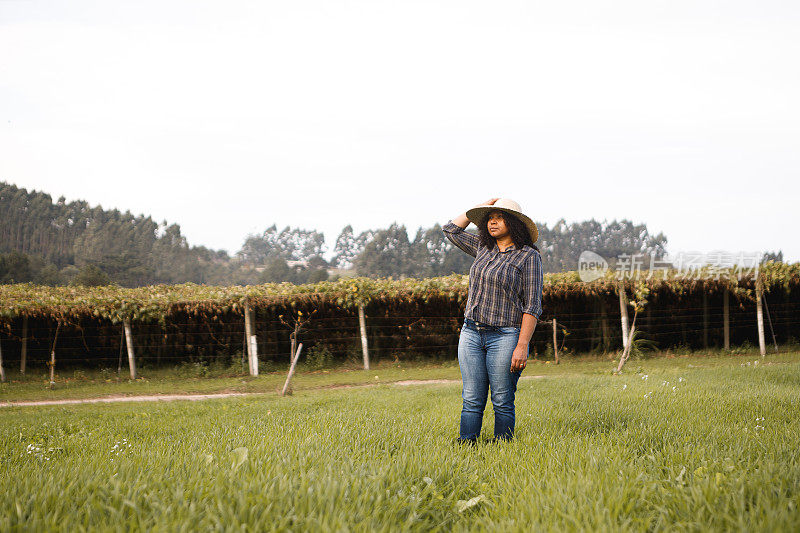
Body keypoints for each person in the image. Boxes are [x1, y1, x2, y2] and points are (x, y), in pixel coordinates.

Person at [442, 198, 544, 444]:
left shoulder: (528, 257)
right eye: (489, 217)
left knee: (502, 398)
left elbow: (532, 305)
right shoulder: (482, 247)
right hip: (471, 333)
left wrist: (521, 346)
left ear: (514, 223)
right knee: (472, 397)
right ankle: (467, 446)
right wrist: (483, 205)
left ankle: (503, 449)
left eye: (499, 216)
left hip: (505, 336)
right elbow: (450, 229)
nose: (492, 221)